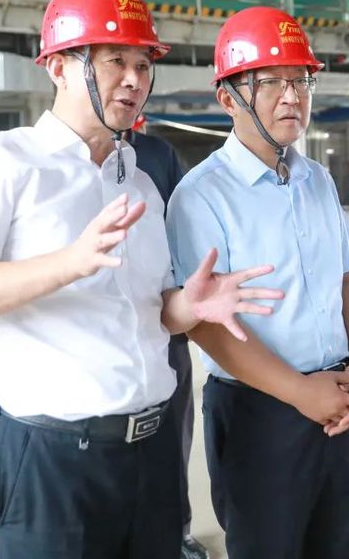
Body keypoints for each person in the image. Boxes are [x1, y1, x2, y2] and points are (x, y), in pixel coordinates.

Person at [0, 0, 282, 559]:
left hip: (152, 455)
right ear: (58, 66)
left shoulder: (139, 183)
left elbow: (152, 313)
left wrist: (188, 306)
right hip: (52, 463)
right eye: (116, 60)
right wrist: (68, 262)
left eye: (143, 64)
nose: (134, 80)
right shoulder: (1, 162)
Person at [166, 6, 349, 559]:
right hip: (258, 413)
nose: (292, 97)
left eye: (300, 80)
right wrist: (301, 393)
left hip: (341, 400)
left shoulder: (318, 180)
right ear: (228, 98)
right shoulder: (201, 196)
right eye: (271, 83)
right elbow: (207, 326)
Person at [126, 116, 209, 559]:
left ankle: (178, 530)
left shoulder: (157, 155)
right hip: (114, 328)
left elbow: (181, 229)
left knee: (173, 434)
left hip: (167, 316)